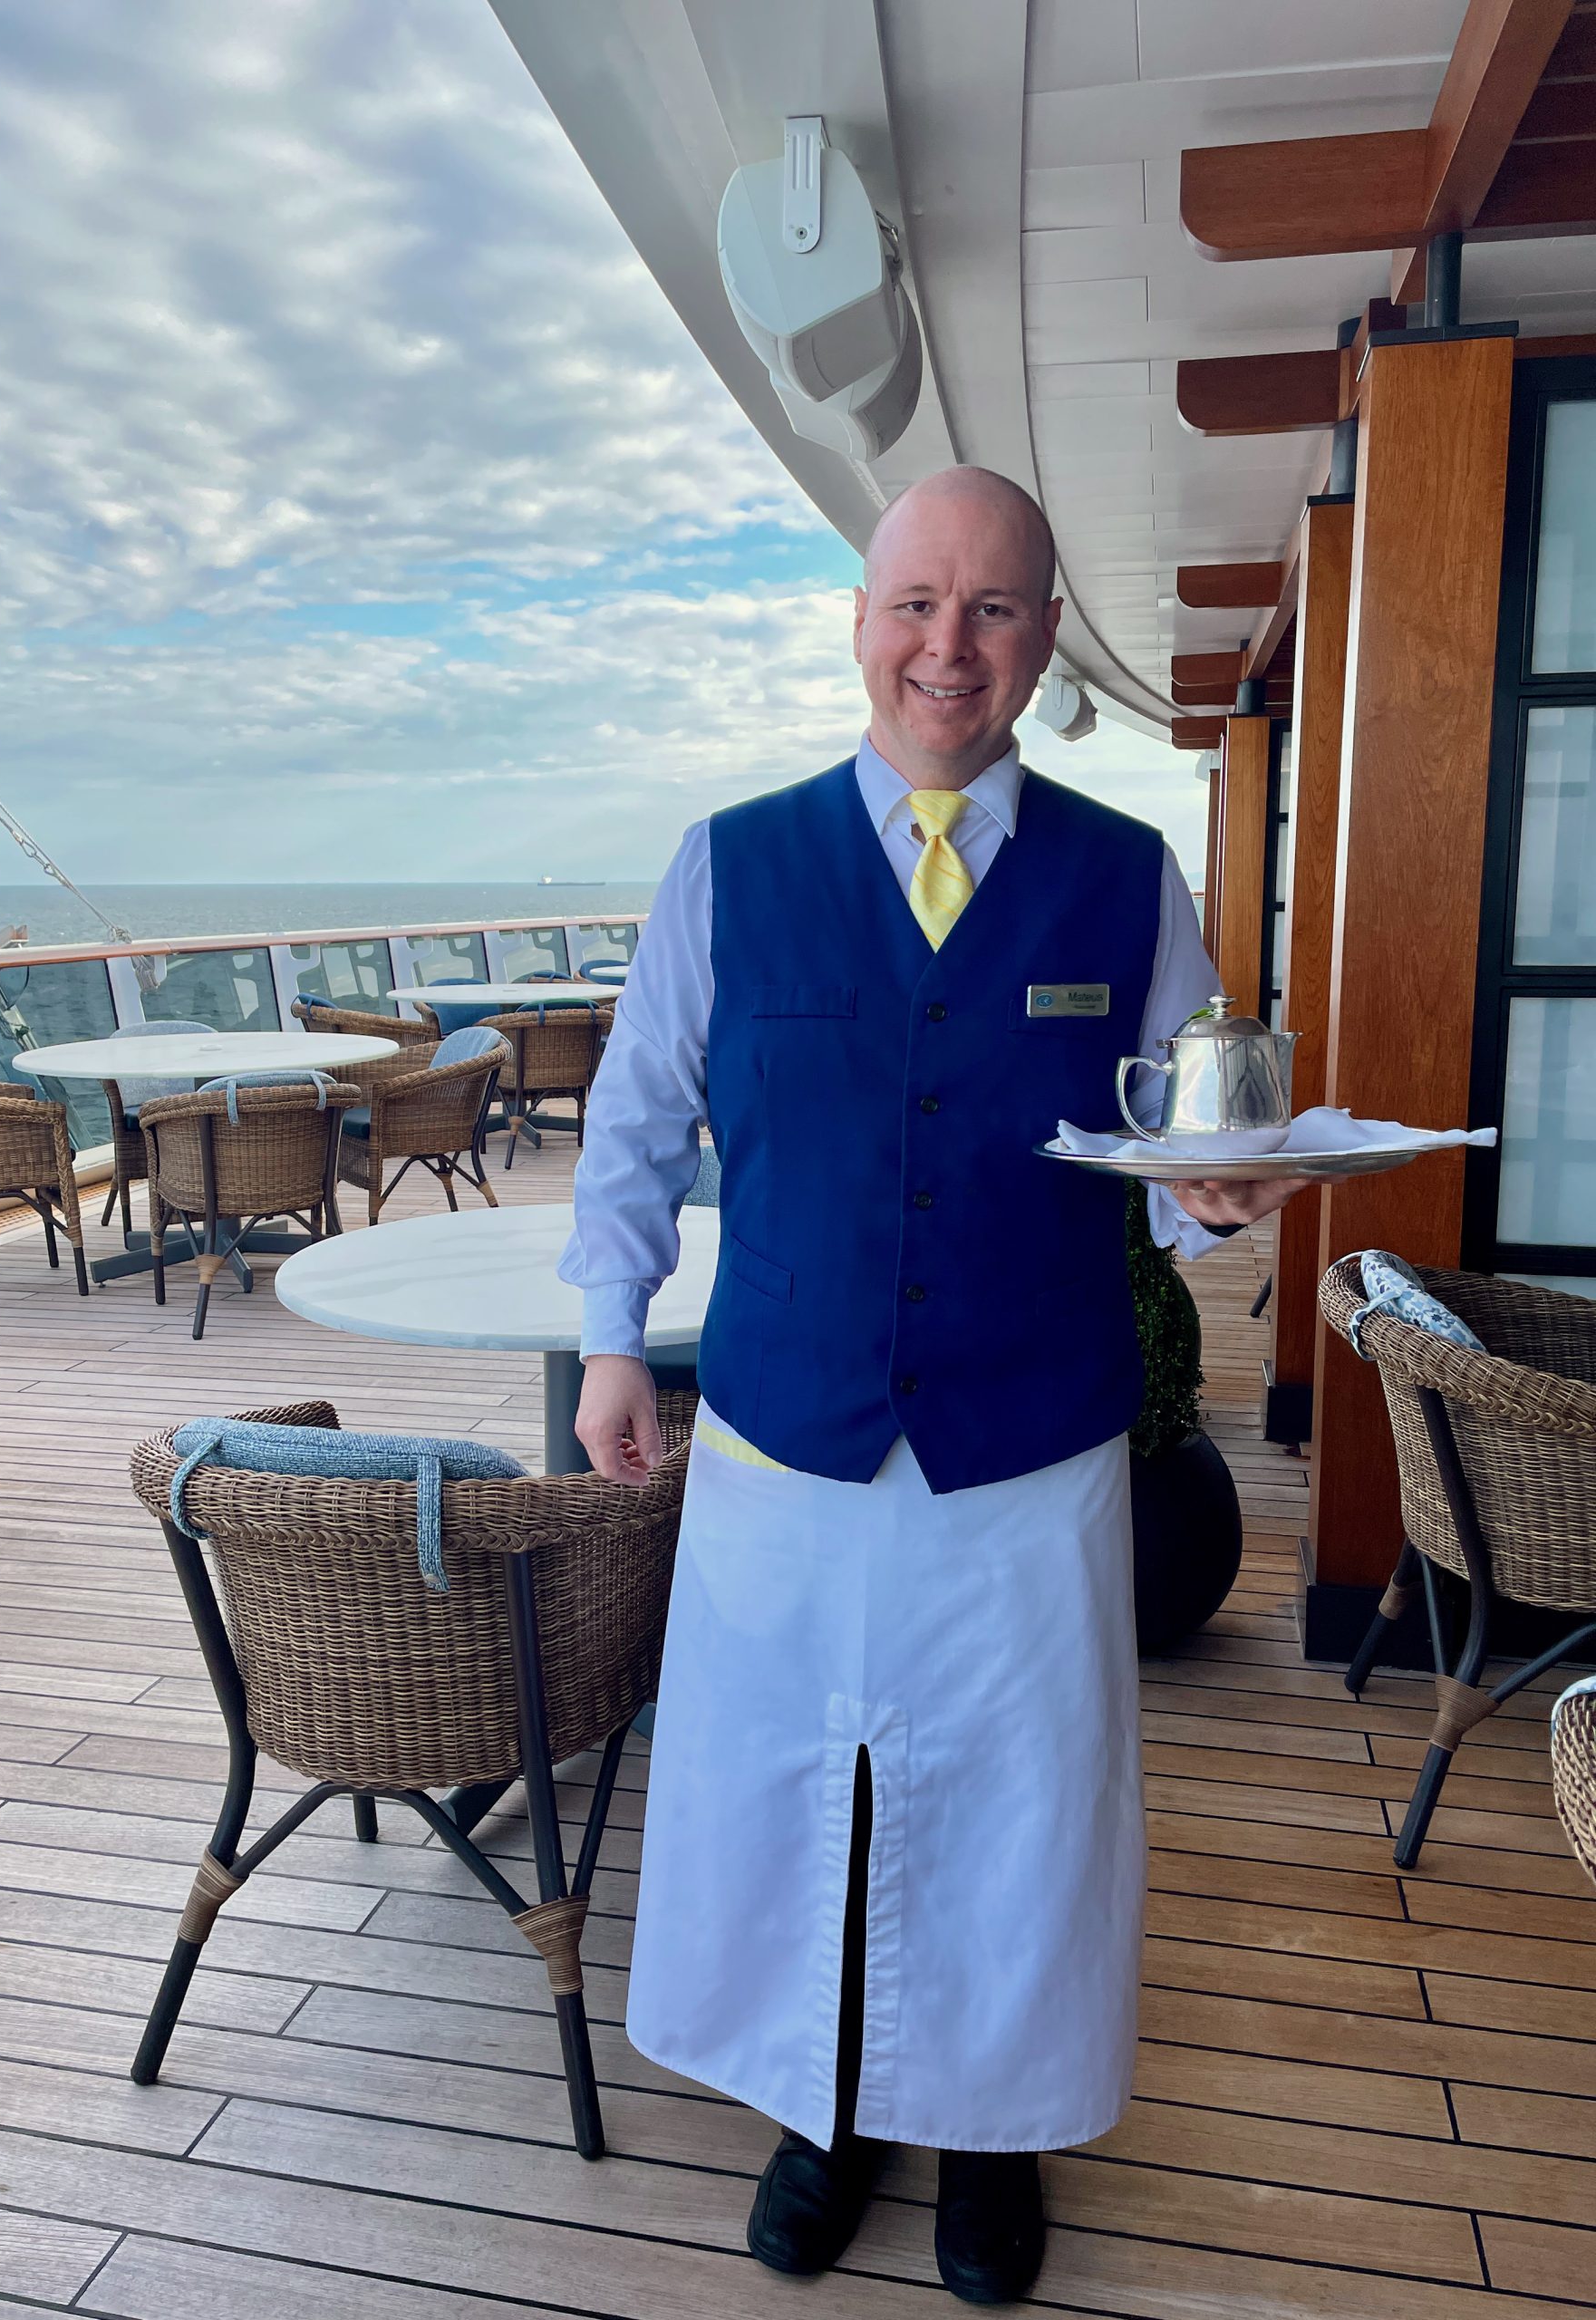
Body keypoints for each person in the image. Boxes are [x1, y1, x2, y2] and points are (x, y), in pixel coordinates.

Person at [559, 466, 1308, 2306]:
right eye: (915, 602)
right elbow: (637, 1120)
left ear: (1046, 639)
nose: (947, 646)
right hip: (784, 1435)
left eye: (990, 608)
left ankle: (992, 2131)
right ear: (859, 622)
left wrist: (1219, 1196)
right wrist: (611, 1333)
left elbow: (1184, 1139)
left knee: (1018, 1802)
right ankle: (824, 2113)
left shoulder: (1126, 878)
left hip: (1028, 1445)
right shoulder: (728, 862)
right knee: (795, 1785)